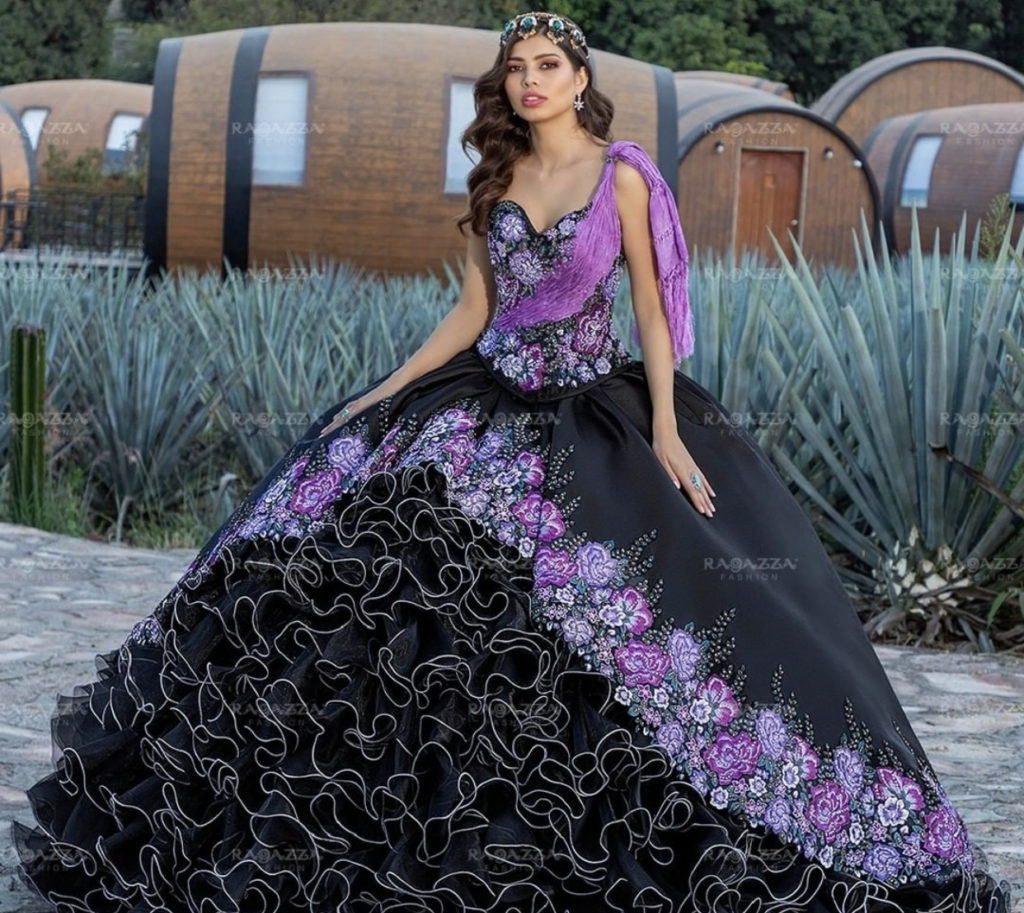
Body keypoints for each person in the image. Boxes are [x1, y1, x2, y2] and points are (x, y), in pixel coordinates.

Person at [10, 10, 1012, 913]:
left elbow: (656, 313)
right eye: (516, 68)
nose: (530, 81)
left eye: (548, 64)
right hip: (483, 404)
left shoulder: (623, 173)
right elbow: (473, 312)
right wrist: (381, 389)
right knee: (352, 556)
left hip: (596, 415)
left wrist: (665, 428)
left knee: (670, 619)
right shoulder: (496, 178)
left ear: (579, 78)